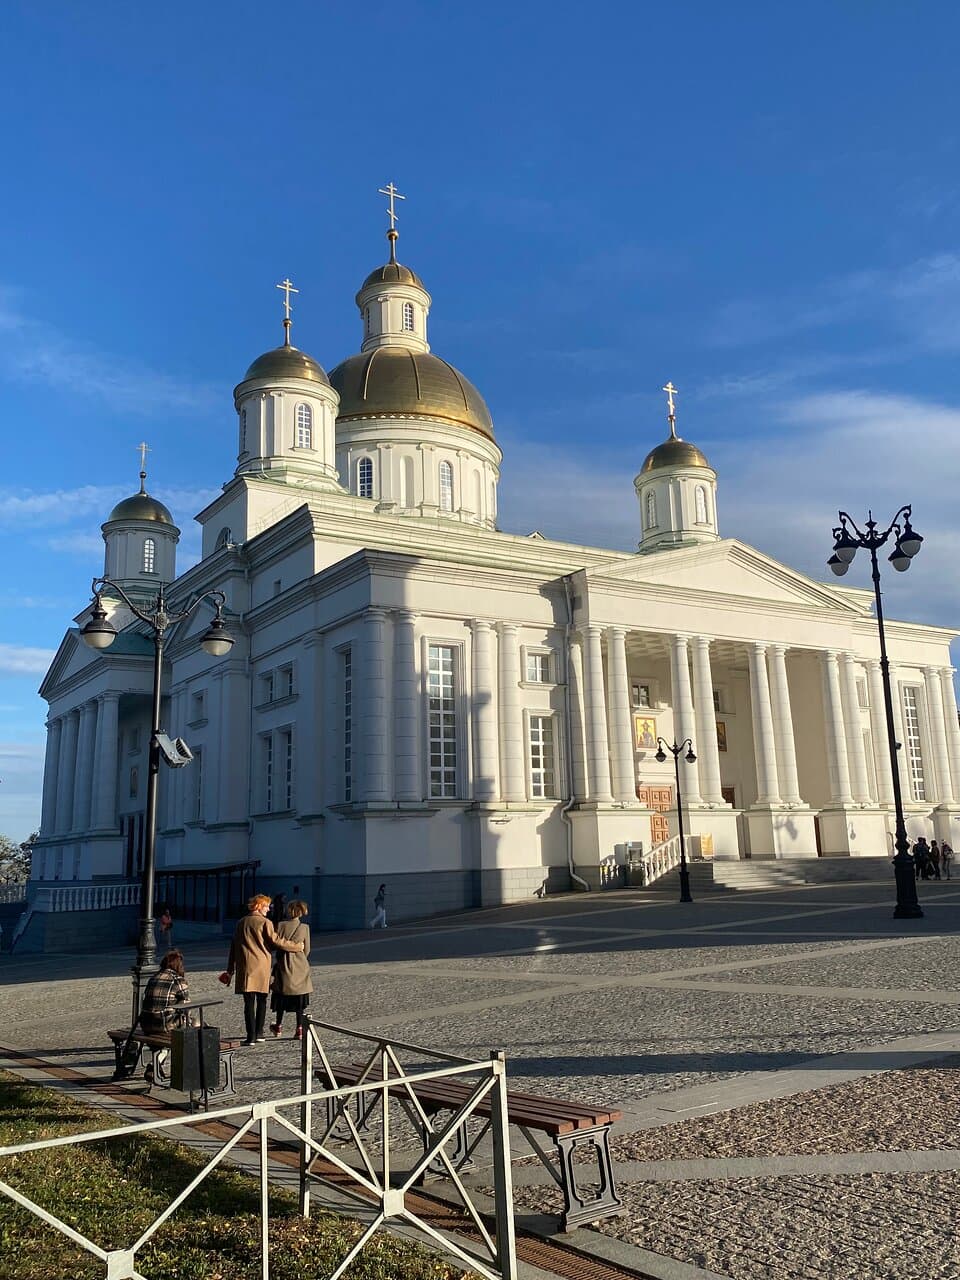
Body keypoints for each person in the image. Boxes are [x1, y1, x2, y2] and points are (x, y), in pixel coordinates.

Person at [224, 894, 305, 1046]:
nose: (269, 909)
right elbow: (276, 941)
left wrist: (230, 970)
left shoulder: (241, 922)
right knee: (262, 1001)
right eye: (267, 906)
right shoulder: (265, 922)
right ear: (259, 906)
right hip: (261, 967)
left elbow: (233, 947)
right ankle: (260, 1032)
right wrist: (296, 946)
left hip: (246, 968)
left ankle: (251, 1036)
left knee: (248, 1003)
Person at [270, 900, 313, 1039]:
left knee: (281, 996)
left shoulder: (281, 925)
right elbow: (307, 949)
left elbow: (276, 944)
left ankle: (278, 1026)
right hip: (300, 966)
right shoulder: (304, 927)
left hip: (283, 965)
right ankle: (299, 1028)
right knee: (300, 999)